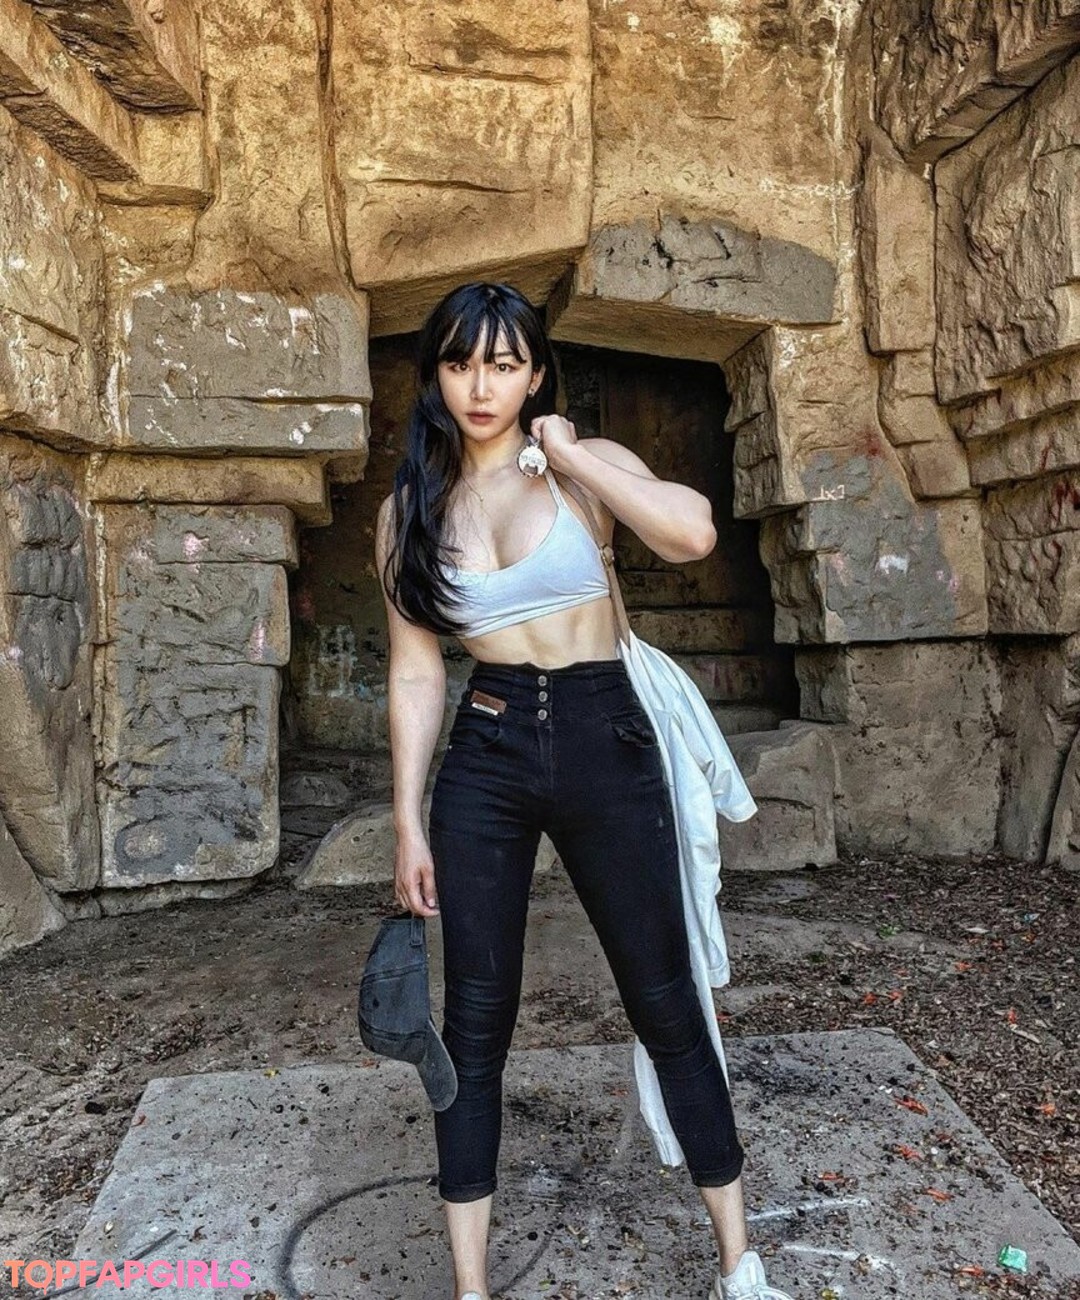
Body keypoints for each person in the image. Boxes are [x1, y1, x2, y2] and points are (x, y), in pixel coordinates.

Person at [375, 281, 795, 1300]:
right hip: (488, 748)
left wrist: (569, 456)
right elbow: (417, 670)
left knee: (664, 997)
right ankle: (471, 1289)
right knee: (474, 1022)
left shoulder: (581, 467)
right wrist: (406, 819)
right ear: (435, 374)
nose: (482, 386)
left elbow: (692, 534)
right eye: (461, 364)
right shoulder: (407, 510)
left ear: (535, 374)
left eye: (504, 364)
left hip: (606, 733)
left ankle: (739, 1264)